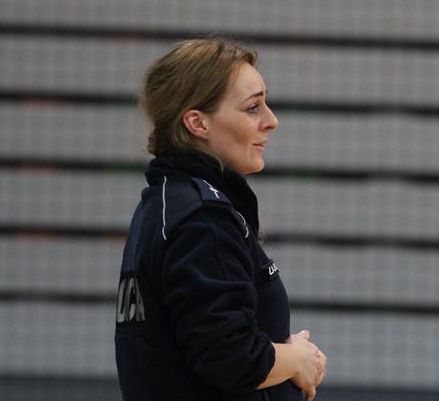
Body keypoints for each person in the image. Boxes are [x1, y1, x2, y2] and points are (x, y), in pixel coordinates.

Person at [115, 37, 327, 400]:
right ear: (197, 123)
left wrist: (283, 352)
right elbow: (231, 358)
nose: (271, 121)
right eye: (253, 108)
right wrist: (297, 359)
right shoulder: (202, 220)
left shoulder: (163, 205)